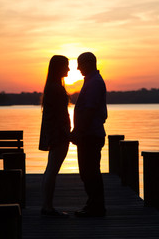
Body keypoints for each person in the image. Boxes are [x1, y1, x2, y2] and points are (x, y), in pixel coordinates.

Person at [70, 52, 108, 217]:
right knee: (88, 171)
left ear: (89, 63)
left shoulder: (94, 83)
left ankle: (96, 207)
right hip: (90, 133)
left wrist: (78, 131)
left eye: (80, 64)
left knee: (90, 171)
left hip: (90, 135)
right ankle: (93, 204)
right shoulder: (92, 81)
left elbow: (90, 110)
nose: (77, 68)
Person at [39, 55, 70, 217]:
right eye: (66, 66)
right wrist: (68, 133)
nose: (69, 69)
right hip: (59, 135)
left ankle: (47, 205)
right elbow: (59, 115)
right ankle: (48, 207)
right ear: (59, 67)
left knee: (50, 169)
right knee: (52, 170)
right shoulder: (56, 88)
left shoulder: (52, 86)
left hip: (54, 133)